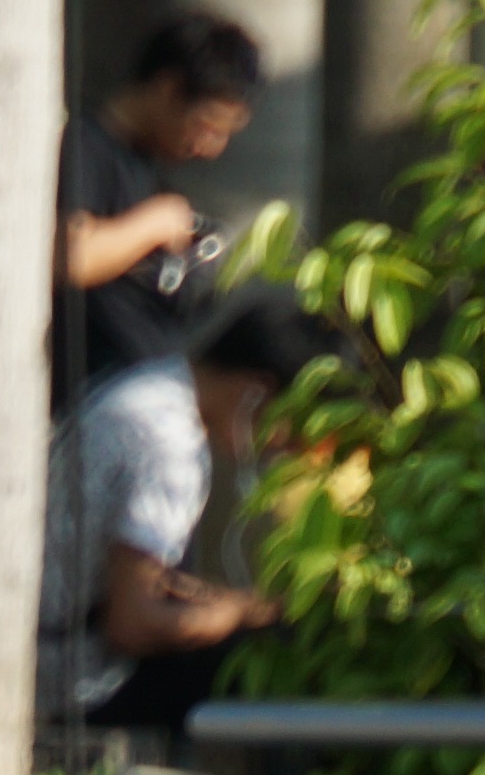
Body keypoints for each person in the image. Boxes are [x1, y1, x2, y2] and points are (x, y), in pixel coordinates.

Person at [44, 293, 329, 738]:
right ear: (257, 392)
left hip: (47, 638)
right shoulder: (174, 450)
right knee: (280, 655)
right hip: (71, 677)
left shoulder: (148, 382)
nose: (284, 449)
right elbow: (131, 625)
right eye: (293, 429)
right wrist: (232, 616)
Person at [52, 11, 261, 424]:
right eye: (206, 127)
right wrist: (154, 223)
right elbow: (71, 257)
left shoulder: (143, 165)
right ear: (168, 89)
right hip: (96, 406)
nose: (210, 148)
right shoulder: (86, 146)